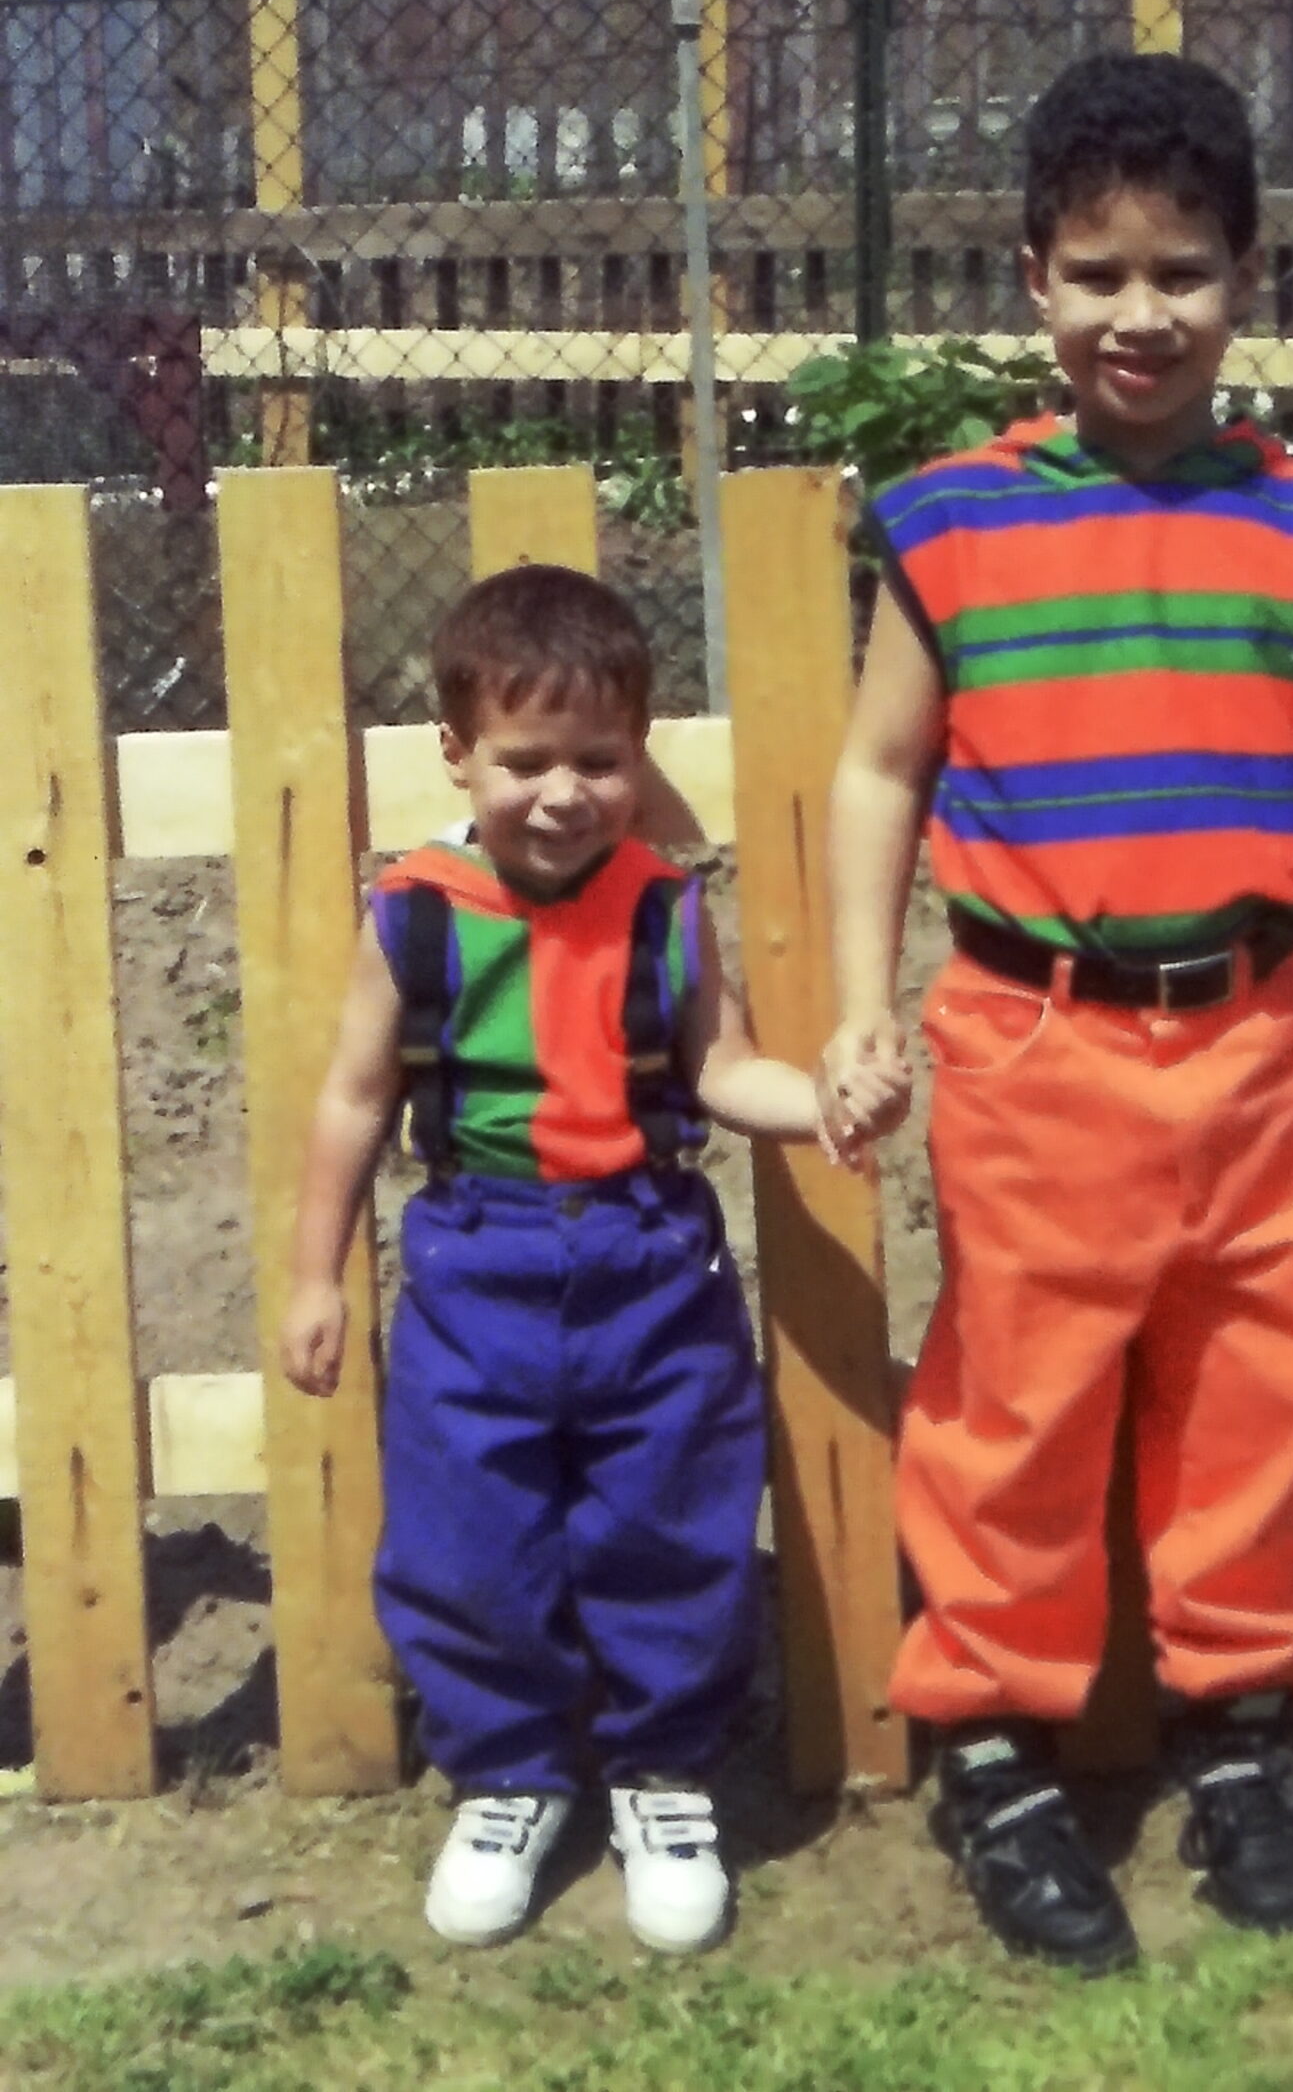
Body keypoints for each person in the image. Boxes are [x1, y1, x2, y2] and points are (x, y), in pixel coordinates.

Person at [820, 52, 1293, 1975]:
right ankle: (994, 1746)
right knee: (1017, 1405)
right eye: (1098, 273)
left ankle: (1241, 1730)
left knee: (1261, 1403)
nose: (1141, 314)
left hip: (1271, 1047)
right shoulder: (949, 528)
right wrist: (861, 1003)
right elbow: (877, 775)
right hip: (1037, 1050)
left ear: (1247, 278)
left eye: (1181, 272)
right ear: (1034, 279)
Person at [280, 565, 873, 1954]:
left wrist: (824, 1102)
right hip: (474, 1261)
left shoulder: (666, 907)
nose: (562, 795)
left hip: (649, 1257)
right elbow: (354, 1102)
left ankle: (662, 1774)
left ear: (638, 755)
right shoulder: (414, 914)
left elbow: (720, 1068)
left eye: (598, 762)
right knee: (467, 1536)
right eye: (525, 761)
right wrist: (315, 1276)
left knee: (670, 1522)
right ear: (457, 755)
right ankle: (509, 1776)